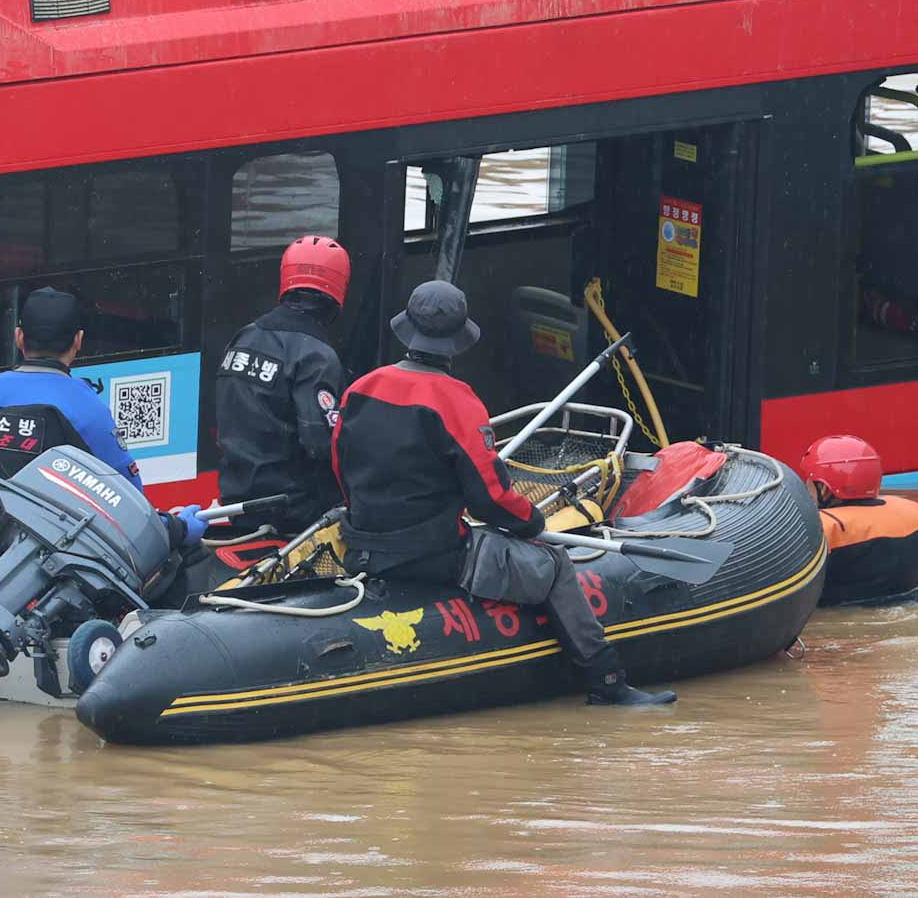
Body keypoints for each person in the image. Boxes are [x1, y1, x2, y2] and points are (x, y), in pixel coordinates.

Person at [332, 279, 675, 706]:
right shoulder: (458, 402)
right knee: (553, 564)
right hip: (433, 555)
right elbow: (489, 499)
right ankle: (606, 682)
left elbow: (342, 471)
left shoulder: (359, 389)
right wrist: (530, 522)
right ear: (457, 341)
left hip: (362, 547)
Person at [0, 286, 205, 582]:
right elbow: (131, 515)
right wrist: (177, 528)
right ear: (78, 341)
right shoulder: (84, 408)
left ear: (19, 337)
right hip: (42, 590)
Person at [216, 236, 351, 536]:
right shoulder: (317, 356)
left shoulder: (244, 337)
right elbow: (321, 444)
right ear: (337, 293)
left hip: (237, 498)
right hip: (293, 510)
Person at [800, 434, 918, 606]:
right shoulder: (912, 512)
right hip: (913, 602)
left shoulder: (817, 527)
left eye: (809, 483)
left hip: (842, 616)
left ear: (824, 489)